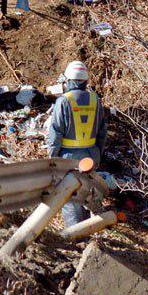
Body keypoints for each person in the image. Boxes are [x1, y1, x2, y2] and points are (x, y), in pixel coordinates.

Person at [47, 61, 107, 226]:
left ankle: (75, 235)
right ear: (86, 80)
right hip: (91, 156)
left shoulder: (64, 101)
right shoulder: (96, 100)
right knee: (87, 193)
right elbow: (102, 133)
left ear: (68, 80)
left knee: (71, 196)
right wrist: (98, 154)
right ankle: (88, 231)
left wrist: (52, 158)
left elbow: (55, 133)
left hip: (69, 157)